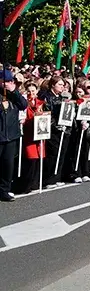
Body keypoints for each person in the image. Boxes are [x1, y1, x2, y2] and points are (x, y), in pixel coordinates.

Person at [0, 70, 27, 201]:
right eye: (6, 81)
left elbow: (23, 105)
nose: (8, 84)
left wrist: (14, 91)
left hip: (11, 136)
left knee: (8, 165)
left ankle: (4, 190)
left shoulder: (15, 96)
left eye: (11, 81)